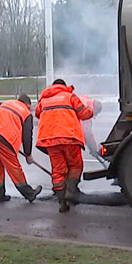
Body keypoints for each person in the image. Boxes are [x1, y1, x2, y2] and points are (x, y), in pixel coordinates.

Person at [35, 79, 94, 213]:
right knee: (75, 165)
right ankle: (71, 191)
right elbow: (84, 114)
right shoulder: (70, 96)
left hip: (50, 139)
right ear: (64, 86)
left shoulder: (44, 100)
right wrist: (91, 110)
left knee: (58, 171)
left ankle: (62, 202)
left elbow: (38, 113)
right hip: (69, 137)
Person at [0, 94, 42, 203]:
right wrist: (28, 154)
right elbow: (27, 135)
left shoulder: (6, 103)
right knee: (14, 168)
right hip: (4, 139)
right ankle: (29, 193)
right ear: (28, 105)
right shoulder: (26, 113)